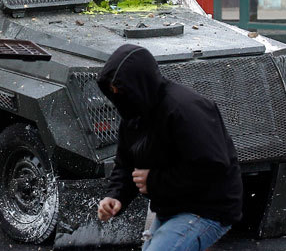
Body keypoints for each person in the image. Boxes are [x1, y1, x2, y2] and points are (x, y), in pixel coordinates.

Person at [95, 44, 243, 251]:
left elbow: (212, 166)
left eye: (120, 89)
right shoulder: (133, 113)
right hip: (171, 206)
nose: (116, 95)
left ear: (138, 84)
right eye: (112, 91)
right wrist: (115, 196)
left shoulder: (185, 109)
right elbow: (126, 164)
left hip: (208, 208)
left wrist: (154, 181)